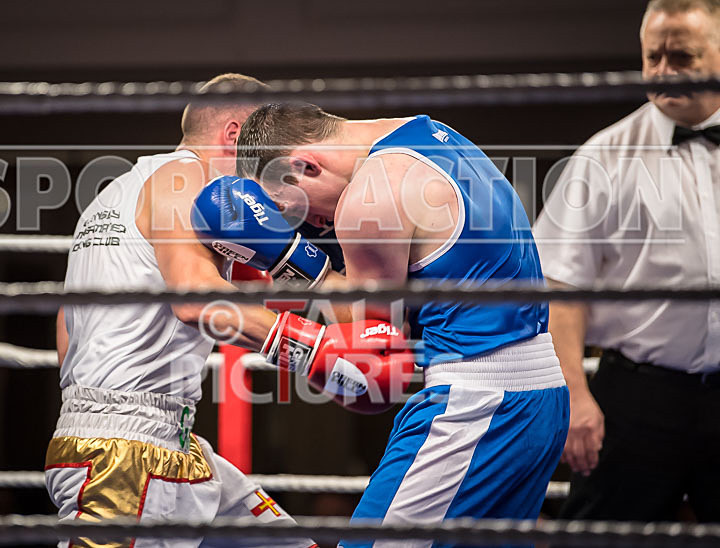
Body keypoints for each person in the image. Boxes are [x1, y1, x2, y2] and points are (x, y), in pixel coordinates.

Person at [46, 72, 412, 548]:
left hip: (153, 437)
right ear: (235, 134)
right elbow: (195, 298)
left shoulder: (110, 197)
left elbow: (67, 327)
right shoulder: (186, 178)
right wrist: (314, 348)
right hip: (126, 455)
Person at [205, 104, 571, 545]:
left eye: (288, 204)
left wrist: (288, 256)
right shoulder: (428, 132)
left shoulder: (368, 199)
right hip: (542, 394)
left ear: (303, 165)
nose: (306, 221)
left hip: (477, 404)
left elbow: (374, 344)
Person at [533, 0, 720, 521]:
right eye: (652, 56)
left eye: (681, 55)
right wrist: (574, 395)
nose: (663, 70)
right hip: (639, 397)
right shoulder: (605, 156)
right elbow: (559, 287)